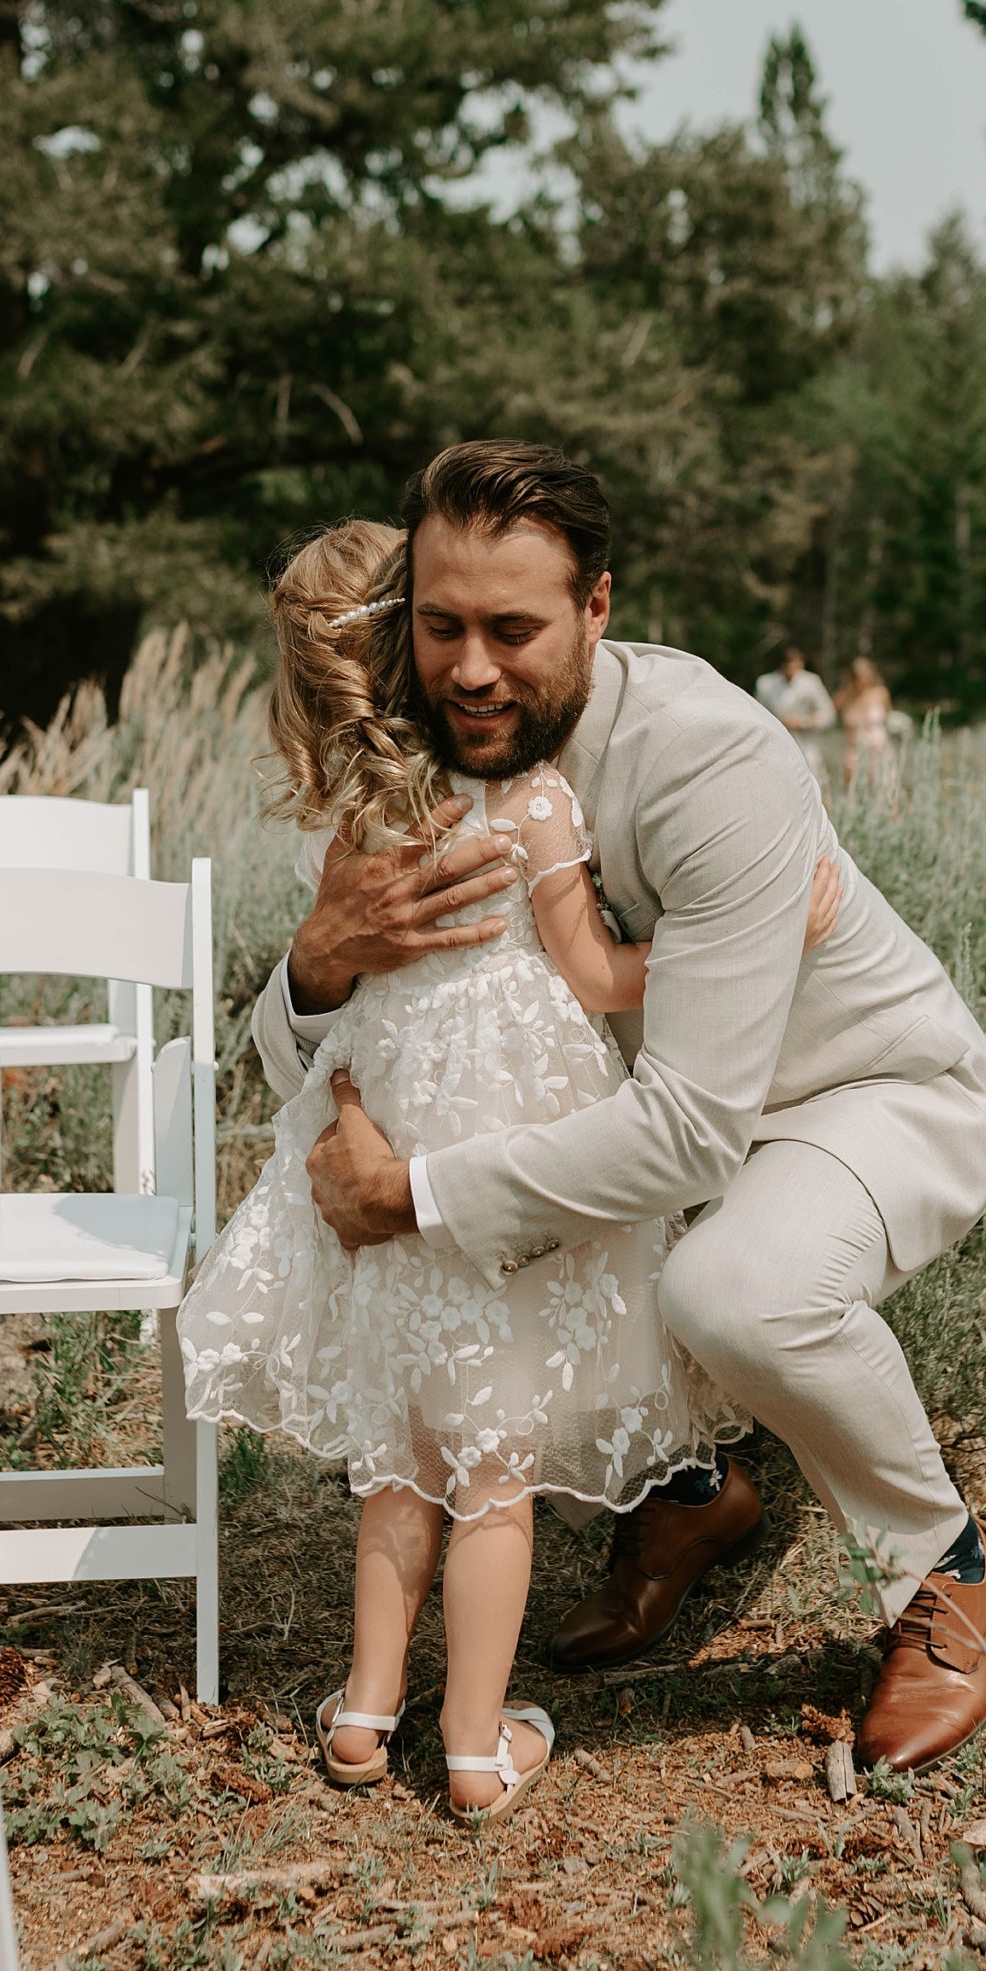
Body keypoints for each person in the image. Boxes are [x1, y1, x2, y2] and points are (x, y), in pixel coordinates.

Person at [265, 441, 986, 1775]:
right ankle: (686, 1490)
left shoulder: (707, 762)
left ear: (595, 609)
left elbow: (685, 1132)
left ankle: (939, 1578)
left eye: (514, 630)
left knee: (732, 1292)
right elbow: (335, 1047)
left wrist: (414, 1195)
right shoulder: (420, 760)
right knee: (540, 1267)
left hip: (847, 1096)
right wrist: (322, 962)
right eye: (440, 629)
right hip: (639, 1121)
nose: (473, 669)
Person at [179, 518, 811, 1823]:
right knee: (494, 1481)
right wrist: (740, 944)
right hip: (506, 1137)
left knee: (398, 1467)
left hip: (392, 1129)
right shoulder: (527, 794)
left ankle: (361, 1717)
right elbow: (589, 975)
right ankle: (473, 1747)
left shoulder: (339, 821)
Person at [754, 645, 836, 781]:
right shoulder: (765, 684)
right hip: (775, 743)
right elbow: (757, 713)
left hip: (807, 744)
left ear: (801, 663)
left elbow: (828, 714)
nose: (790, 666)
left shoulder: (811, 682)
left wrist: (803, 722)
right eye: (787, 662)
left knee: (812, 779)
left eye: (794, 661)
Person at [837, 656, 894, 795]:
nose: (862, 681)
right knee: (853, 794)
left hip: (880, 752)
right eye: (858, 678)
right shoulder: (843, 697)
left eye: (866, 677)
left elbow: (889, 716)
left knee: (885, 794)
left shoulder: (881, 693)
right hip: (854, 752)